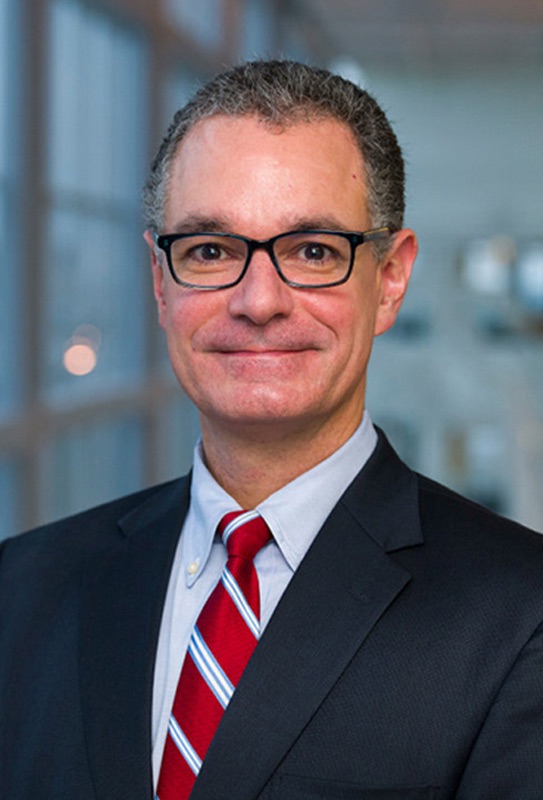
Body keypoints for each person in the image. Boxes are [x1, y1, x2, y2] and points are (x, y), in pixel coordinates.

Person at [1, 60, 543, 800]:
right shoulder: (23, 588)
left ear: (389, 280)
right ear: (161, 284)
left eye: (313, 251)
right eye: (210, 252)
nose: (258, 301)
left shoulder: (518, 615)